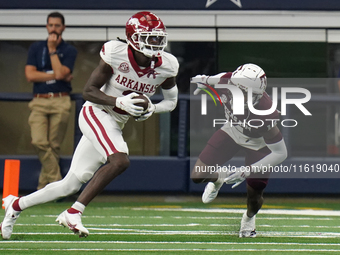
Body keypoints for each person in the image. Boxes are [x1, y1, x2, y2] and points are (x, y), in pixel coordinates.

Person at [1, 11, 179, 239]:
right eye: (149, 37)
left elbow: (171, 102)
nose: (155, 43)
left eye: (157, 37)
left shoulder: (168, 65)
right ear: (133, 37)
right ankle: (74, 212)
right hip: (96, 112)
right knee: (119, 159)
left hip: (115, 122)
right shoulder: (116, 53)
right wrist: (118, 100)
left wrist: (153, 108)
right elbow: (88, 91)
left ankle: (15, 206)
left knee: (69, 185)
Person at [191, 64, 287, 238]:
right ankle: (218, 177)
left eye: (244, 92)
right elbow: (216, 78)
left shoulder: (265, 112)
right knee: (197, 176)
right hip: (233, 130)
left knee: (254, 195)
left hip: (259, 143)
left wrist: (247, 171)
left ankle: (249, 219)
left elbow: (281, 153)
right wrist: (203, 81)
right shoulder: (229, 81)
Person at [25, 12, 78, 190]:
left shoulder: (69, 50)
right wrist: (55, 74)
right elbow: (30, 75)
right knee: (39, 141)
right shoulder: (35, 48)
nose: (53, 29)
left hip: (60, 100)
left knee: (54, 146)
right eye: (50, 25)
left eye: (57, 25)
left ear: (63, 27)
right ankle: (58, 185)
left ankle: (43, 189)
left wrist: (53, 50)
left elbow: (62, 74)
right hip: (39, 101)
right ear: (46, 26)